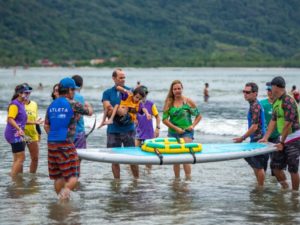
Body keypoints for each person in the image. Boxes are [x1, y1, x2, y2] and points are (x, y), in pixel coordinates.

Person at [44, 77, 93, 199]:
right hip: (66, 143)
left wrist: (54, 137)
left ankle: (60, 201)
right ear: (69, 90)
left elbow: (46, 125)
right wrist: (89, 105)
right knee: (73, 176)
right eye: (74, 90)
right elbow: (89, 112)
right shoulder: (73, 104)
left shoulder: (51, 105)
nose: (74, 93)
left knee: (59, 176)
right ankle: (63, 197)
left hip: (51, 143)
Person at [259, 76, 300, 191]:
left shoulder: (288, 100)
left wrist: (282, 142)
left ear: (276, 87)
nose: (270, 89)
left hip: (294, 137)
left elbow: (288, 124)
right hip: (283, 137)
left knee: (293, 168)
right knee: (275, 166)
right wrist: (266, 137)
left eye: (271, 87)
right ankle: (286, 187)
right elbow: (273, 120)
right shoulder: (276, 101)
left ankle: (295, 194)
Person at [101, 68, 138, 179]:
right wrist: (118, 110)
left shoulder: (130, 91)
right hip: (113, 130)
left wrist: (125, 109)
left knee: (132, 159)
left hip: (129, 129)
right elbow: (107, 108)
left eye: (124, 77)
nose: (123, 80)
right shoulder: (107, 93)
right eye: (120, 77)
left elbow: (136, 108)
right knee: (114, 160)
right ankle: (117, 182)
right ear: (114, 78)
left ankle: (136, 181)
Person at [162, 80, 202, 179]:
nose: (177, 90)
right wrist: (176, 128)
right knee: (176, 159)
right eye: (175, 89)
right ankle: (177, 180)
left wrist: (193, 126)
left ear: (182, 89)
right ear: (172, 90)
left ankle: (188, 180)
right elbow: (164, 120)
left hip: (186, 132)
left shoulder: (188, 101)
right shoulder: (169, 102)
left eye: (179, 88)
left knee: (185, 157)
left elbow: (199, 116)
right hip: (173, 133)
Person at [233, 82, 268, 187]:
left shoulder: (255, 106)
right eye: (244, 92)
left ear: (255, 94)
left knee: (259, 167)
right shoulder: (254, 104)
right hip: (257, 140)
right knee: (257, 166)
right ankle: (259, 186)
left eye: (247, 92)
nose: (245, 94)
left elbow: (254, 126)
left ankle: (261, 189)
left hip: (259, 140)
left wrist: (242, 138)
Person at [4, 84, 30, 177]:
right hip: (14, 134)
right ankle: (13, 179)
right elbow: (10, 119)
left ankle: (16, 180)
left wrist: (35, 122)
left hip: (18, 133)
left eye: (28, 93)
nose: (28, 94)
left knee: (17, 159)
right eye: (26, 93)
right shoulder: (14, 104)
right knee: (21, 158)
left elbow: (22, 121)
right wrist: (19, 129)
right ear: (19, 94)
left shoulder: (21, 104)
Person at [135, 85, 161, 170]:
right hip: (138, 132)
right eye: (142, 94)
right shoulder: (135, 103)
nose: (144, 96)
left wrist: (157, 128)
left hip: (149, 133)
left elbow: (157, 117)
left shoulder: (151, 104)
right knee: (136, 155)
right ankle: (136, 175)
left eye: (145, 94)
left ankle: (148, 174)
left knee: (149, 157)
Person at [23, 83, 43, 173]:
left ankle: (32, 178)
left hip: (32, 134)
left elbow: (36, 120)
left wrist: (39, 133)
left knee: (35, 158)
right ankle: (18, 179)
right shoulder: (16, 104)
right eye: (24, 92)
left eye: (28, 92)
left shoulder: (34, 104)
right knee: (20, 158)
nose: (26, 94)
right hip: (20, 134)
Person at [72, 75, 93, 149]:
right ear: (82, 84)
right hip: (78, 131)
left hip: (67, 133)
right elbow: (78, 115)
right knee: (79, 156)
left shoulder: (67, 95)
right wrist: (89, 106)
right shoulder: (78, 96)